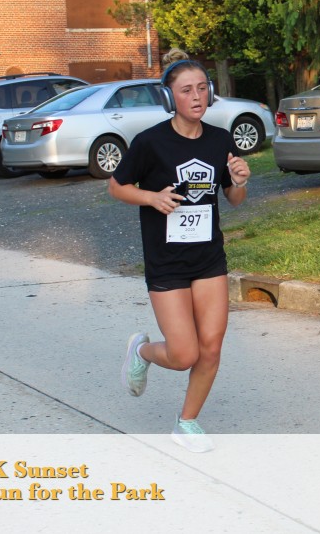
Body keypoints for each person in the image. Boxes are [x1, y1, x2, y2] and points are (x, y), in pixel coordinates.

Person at [109, 58, 250, 451]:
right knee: (184, 353)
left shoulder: (220, 140)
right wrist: (151, 197)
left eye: (202, 88)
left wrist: (239, 181)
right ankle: (142, 351)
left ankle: (186, 423)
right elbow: (116, 187)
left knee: (211, 347)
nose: (197, 96)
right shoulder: (150, 142)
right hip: (166, 261)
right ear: (170, 97)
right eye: (187, 90)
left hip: (208, 259)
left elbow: (234, 198)